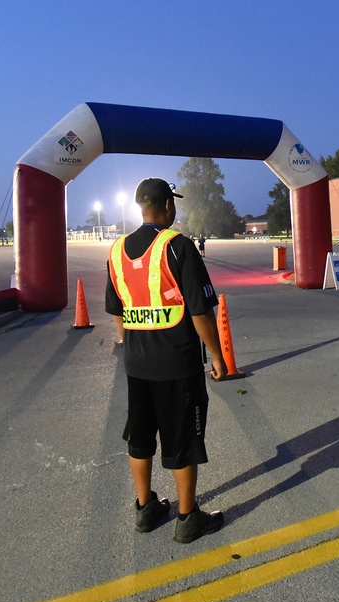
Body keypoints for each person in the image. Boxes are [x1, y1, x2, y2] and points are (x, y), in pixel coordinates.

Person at [105, 177, 227, 544]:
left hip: (136, 365)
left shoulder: (116, 251)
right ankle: (188, 518)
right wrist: (219, 357)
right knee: (182, 440)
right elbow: (200, 312)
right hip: (177, 366)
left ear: (140, 207)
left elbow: (118, 310)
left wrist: (132, 344)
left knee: (140, 437)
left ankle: (145, 509)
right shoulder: (178, 247)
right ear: (169, 206)